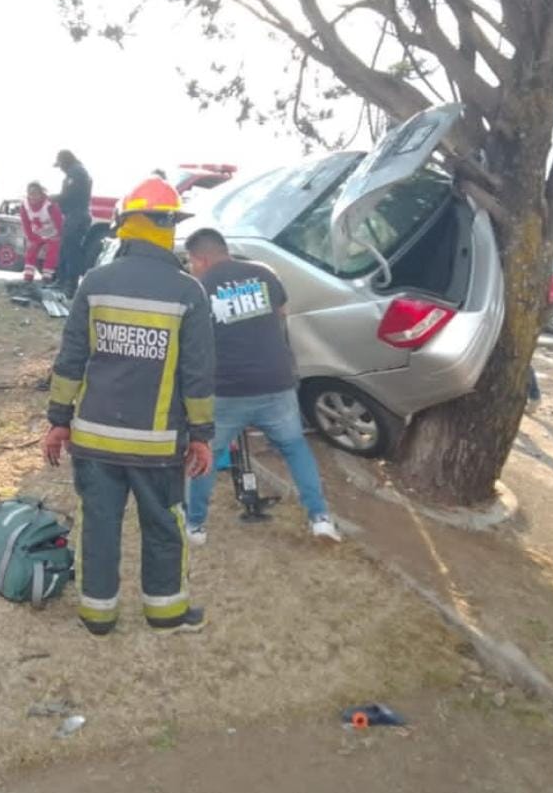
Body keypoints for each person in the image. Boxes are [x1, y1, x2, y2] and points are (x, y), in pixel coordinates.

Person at [43, 176, 215, 636]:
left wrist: (59, 422)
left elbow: (70, 361)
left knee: (98, 527)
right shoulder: (188, 293)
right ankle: (165, 614)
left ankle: (98, 615)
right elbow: (197, 378)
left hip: (95, 441)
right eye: (171, 221)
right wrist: (201, 436)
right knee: (162, 528)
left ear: (124, 226)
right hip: (157, 447)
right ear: (164, 226)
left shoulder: (95, 283)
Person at [183, 227, 341, 545]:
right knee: (295, 447)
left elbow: (192, 342)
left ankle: (195, 526)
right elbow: (281, 313)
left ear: (200, 259)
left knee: (205, 454)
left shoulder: (198, 289)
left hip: (227, 389)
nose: (190, 267)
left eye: (190, 261)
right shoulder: (264, 274)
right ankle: (320, 518)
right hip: (276, 382)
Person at [53, 149, 92, 297]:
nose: (61, 169)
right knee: (65, 249)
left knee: (71, 251)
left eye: (61, 165)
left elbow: (70, 195)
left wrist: (55, 198)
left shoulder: (76, 173)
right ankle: (62, 281)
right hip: (74, 215)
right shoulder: (78, 171)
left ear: (65, 161)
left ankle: (70, 285)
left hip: (77, 215)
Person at [20, 181, 63, 284]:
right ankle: (28, 276)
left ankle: (47, 276)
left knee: (52, 252)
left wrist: (60, 235)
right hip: (37, 233)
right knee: (31, 251)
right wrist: (31, 238)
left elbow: (59, 221)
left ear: (41, 194)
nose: (33, 197)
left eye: (35, 194)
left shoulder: (50, 205)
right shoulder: (24, 206)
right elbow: (25, 223)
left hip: (53, 232)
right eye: (30, 194)